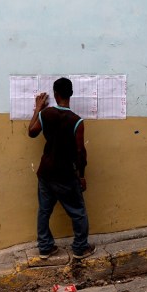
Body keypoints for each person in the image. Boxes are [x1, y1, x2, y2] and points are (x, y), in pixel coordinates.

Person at [28, 77, 95, 260]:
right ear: (71, 94)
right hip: (65, 174)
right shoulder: (77, 121)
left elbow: (31, 132)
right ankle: (80, 248)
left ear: (55, 94)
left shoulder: (46, 114)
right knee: (78, 212)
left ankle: (45, 247)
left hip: (46, 172)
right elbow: (80, 152)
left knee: (44, 210)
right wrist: (81, 176)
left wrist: (37, 109)